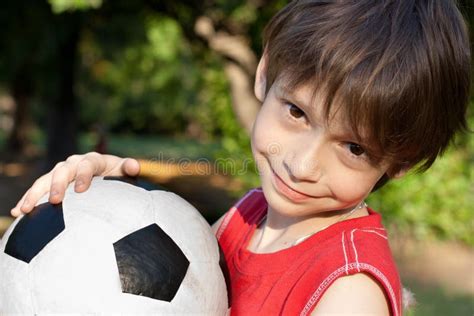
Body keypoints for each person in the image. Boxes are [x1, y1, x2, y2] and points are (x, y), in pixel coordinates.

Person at [10, 0, 470, 315]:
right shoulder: (248, 216)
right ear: (266, 72)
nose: (303, 165)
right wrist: (111, 204)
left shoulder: (348, 291)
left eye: (354, 148)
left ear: (403, 160)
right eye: (296, 112)